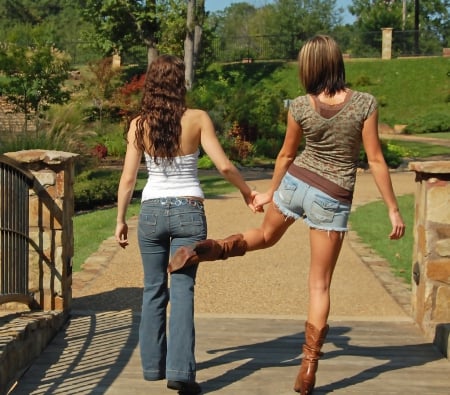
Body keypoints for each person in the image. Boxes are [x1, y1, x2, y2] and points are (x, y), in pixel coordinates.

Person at [168, 35, 406, 394]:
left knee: (263, 236)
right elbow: (374, 160)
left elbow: (285, 156)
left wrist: (271, 193)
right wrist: (392, 209)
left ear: (310, 66)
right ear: (337, 63)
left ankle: (208, 248)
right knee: (319, 284)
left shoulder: (299, 105)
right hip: (331, 195)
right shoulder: (364, 104)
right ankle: (307, 370)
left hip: (296, 184)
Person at [114, 55, 257, 395]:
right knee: (182, 290)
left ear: (151, 84)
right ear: (180, 83)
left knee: (152, 290)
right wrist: (247, 192)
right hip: (188, 212)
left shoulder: (138, 125)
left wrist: (120, 219)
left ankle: (152, 367)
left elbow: (128, 178)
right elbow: (223, 165)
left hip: (150, 213)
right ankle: (179, 372)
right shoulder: (197, 119)